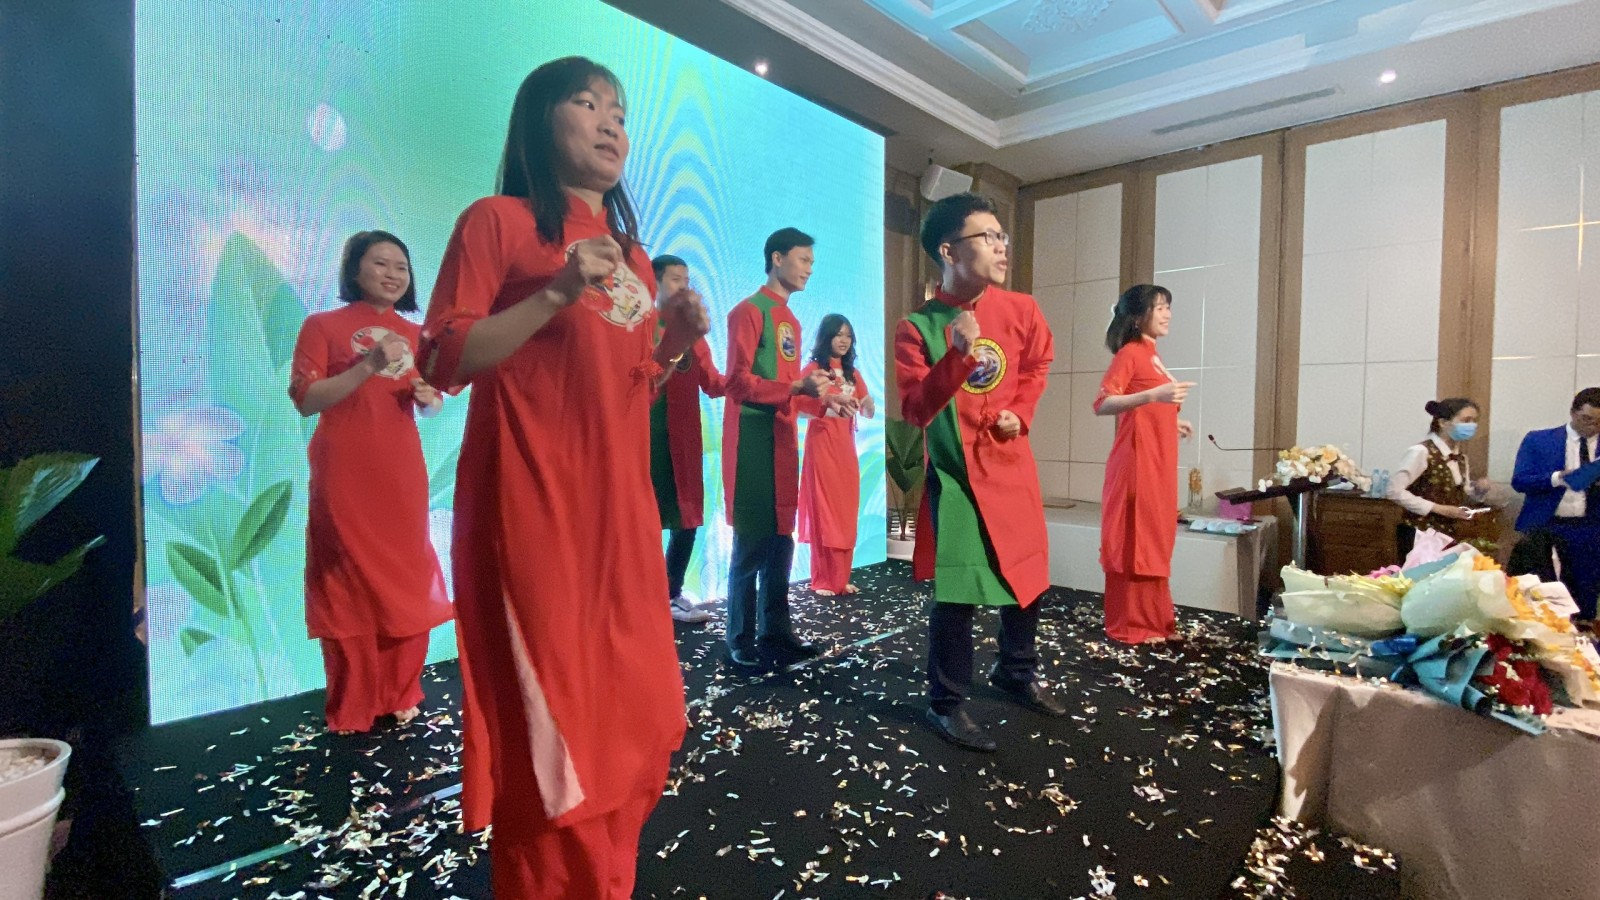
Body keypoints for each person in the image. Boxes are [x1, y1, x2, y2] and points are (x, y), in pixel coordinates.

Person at [416, 57, 709, 898]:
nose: (611, 122)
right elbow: (442, 359)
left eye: (619, 110)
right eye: (587, 103)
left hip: (620, 516)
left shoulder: (634, 258)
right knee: (558, 739)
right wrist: (551, 294)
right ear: (539, 121)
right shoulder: (499, 222)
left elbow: (628, 386)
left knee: (638, 715)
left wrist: (675, 343)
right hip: (533, 507)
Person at [895, 192, 1064, 754]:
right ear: (948, 250)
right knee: (958, 592)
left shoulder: (1022, 309)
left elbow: (1038, 364)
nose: (1000, 246)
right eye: (987, 237)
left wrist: (1023, 411)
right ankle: (945, 702)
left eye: (1001, 236)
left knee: (1028, 577)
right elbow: (916, 409)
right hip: (957, 477)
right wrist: (958, 355)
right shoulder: (918, 327)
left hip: (1010, 465)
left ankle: (1015, 671)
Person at [289, 230, 453, 735]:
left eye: (401, 266)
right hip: (344, 470)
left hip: (400, 472)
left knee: (405, 578)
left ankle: (400, 690)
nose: (392, 274)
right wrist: (369, 366)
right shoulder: (322, 326)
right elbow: (307, 399)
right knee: (347, 582)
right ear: (354, 269)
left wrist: (428, 398)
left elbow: (432, 397)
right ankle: (352, 701)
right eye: (380, 263)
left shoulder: (418, 334)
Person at [720, 228, 833, 670]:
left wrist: (824, 400)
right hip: (752, 442)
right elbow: (737, 382)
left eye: (813, 263)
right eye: (804, 260)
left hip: (783, 442)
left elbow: (788, 389)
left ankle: (776, 632)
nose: (809, 269)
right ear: (777, 258)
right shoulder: (748, 312)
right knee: (751, 544)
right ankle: (740, 638)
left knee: (781, 542)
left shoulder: (791, 320)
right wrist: (796, 387)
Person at [1094, 284, 1195, 645]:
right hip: (1137, 462)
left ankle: (1155, 621)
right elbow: (1103, 403)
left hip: (1157, 459)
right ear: (1138, 317)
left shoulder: (1151, 354)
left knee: (1154, 534)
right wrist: (1154, 395)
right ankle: (1132, 623)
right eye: (1159, 307)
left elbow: (1147, 406)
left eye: (1168, 307)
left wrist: (1171, 420)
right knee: (1136, 537)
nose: (1167, 314)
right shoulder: (1131, 353)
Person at [649, 254, 726, 623]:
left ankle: (670, 594)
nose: (683, 286)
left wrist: (751, 380)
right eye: (675, 279)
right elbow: (642, 377)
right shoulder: (643, 325)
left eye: (686, 279)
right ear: (655, 283)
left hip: (685, 441)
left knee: (688, 517)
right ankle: (643, 598)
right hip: (648, 438)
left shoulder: (694, 336)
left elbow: (713, 383)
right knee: (646, 518)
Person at [797, 313, 874, 596]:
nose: (844, 340)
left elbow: (868, 409)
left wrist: (867, 404)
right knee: (824, 513)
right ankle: (821, 579)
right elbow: (798, 408)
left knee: (844, 512)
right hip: (821, 447)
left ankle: (840, 579)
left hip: (846, 450)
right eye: (839, 334)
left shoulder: (853, 374)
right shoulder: (813, 371)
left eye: (848, 335)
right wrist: (827, 404)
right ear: (826, 336)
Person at [1512, 387, 1600, 620]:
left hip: (1589, 526)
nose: (1593, 427)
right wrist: (1557, 477)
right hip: (1545, 524)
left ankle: (1583, 631)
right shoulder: (1539, 440)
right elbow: (1520, 481)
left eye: (1599, 422)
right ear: (1573, 412)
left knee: (1585, 588)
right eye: (1587, 419)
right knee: (1540, 589)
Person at [1385, 398, 1496, 558]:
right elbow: (1394, 491)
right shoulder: (1421, 451)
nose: (1472, 426)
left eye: (1474, 421)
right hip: (1420, 533)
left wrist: (1478, 490)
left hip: (1448, 533)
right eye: (1466, 420)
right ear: (1443, 423)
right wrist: (1437, 508)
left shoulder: (1460, 457)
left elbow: (1459, 492)